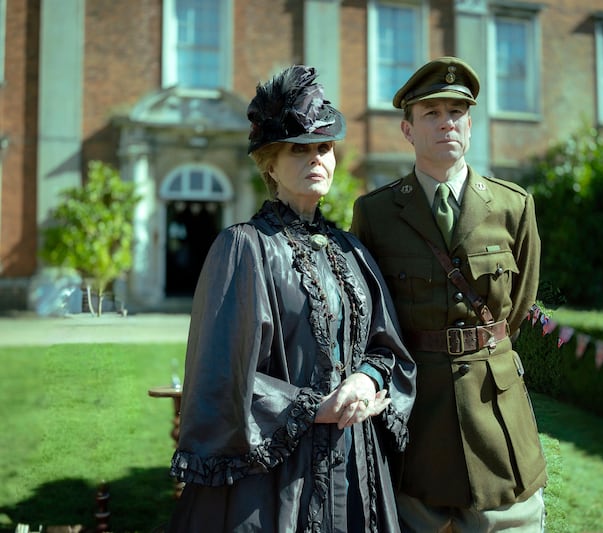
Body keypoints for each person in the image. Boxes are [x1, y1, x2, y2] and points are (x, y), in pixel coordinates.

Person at [167, 65, 416, 533]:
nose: (316, 159)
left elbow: (387, 347)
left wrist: (365, 380)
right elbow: (220, 376)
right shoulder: (244, 247)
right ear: (270, 164)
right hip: (274, 478)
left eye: (324, 148)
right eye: (299, 150)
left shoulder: (351, 250)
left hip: (355, 462)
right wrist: (309, 408)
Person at [350, 57, 547, 532]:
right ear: (408, 129)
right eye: (431, 114)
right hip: (418, 411)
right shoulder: (375, 213)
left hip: (495, 405)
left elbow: (517, 305)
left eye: (456, 113)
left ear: (470, 124)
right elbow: (370, 313)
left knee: (510, 522)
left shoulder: (512, 205)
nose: (446, 124)